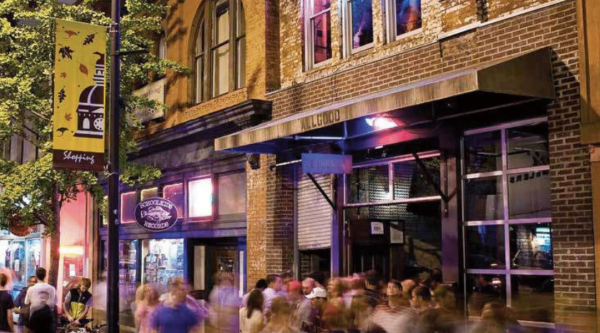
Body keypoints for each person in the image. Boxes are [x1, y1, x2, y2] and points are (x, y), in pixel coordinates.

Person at [25, 267, 56, 333]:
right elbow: (52, 305)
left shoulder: (31, 289)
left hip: (34, 319)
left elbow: (26, 302)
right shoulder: (51, 288)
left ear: (36, 276)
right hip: (48, 319)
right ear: (45, 276)